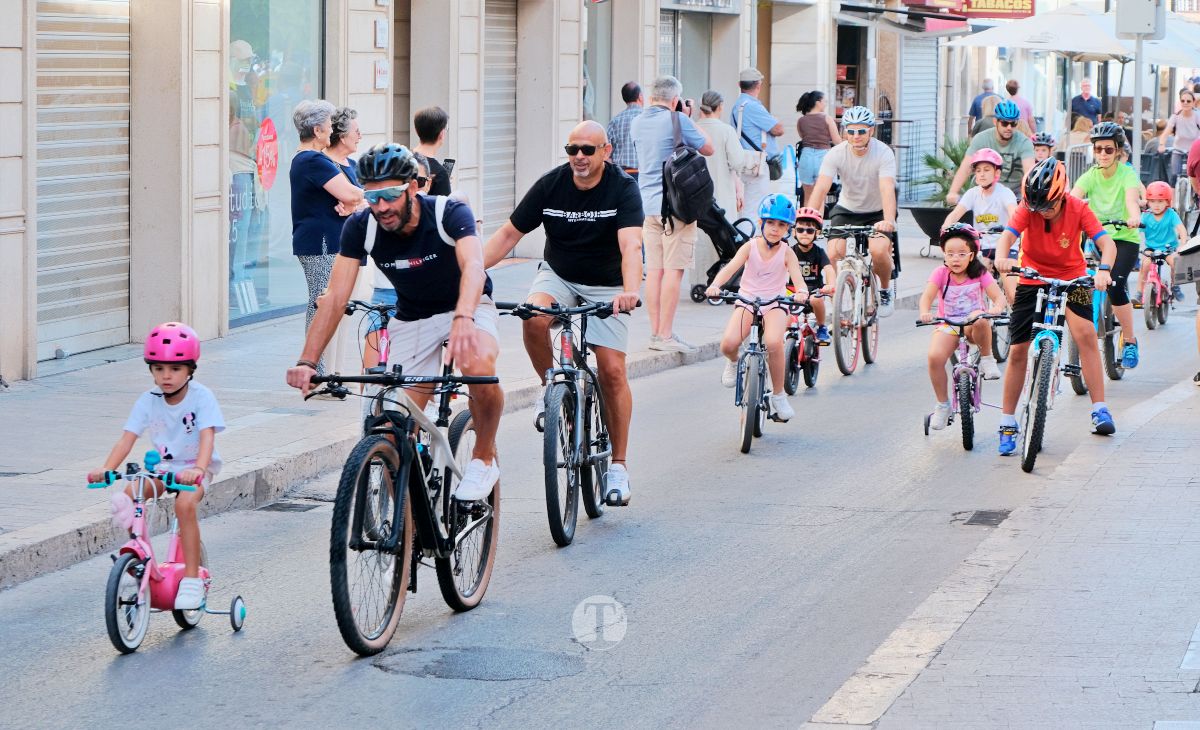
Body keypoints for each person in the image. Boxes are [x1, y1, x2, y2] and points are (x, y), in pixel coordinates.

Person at [285, 143, 503, 502]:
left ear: (413, 187)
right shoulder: (361, 226)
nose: (382, 206)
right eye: (372, 197)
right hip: (413, 317)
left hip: (468, 306)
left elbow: (474, 268)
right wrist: (308, 361)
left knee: (478, 367)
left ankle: (482, 458)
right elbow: (336, 297)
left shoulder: (449, 212)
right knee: (393, 425)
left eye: (390, 194)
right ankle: (406, 527)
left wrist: (464, 316)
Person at [483, 121, 643, 506]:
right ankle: (549, 386)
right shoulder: (551, 184)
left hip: (609, 284)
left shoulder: (622, 188)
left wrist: (630, 292)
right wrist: (470, 274)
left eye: (587, 150)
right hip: (559, 275)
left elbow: (631, 246)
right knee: (533, 316)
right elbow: (508, 235)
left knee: (612, 370)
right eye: (572, 149)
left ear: (606, 151)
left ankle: (618, 466)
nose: (579, 158)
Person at [90, 322, 225, 611]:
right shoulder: (147, 401)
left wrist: (199, 470)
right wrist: (106, 468)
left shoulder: (202, 397)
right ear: (150, 369)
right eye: (159, 369)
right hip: (163, 468)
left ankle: (191, 578)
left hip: (194, 467)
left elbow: (207, 438)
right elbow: (127, 439)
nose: (166, 376)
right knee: (129, 494)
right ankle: (142, 557)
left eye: (175, 369)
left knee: (184, 506)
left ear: (190, 369)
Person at [993, 159, 1119, 455]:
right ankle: (1008, 421)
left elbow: (1108, 244)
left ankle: (1099, 409)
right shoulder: (1029, 207)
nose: (1041, 213)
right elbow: (1008, 236)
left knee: (1086, 334)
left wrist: (1103, 270)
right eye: (1035, 208)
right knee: (1017, 350)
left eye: (1047, 207)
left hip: (1073, 277)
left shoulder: (1078, 208)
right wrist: (1003, 257)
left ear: (1061, 196)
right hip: (1032, 276)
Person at [705, 193, 810, 422]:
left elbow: (797, 279)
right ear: (761, 222)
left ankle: (779, 396)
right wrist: (714, 285)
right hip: (747, 301)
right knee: (728, 344)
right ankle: (734, 362)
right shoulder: (749, 247)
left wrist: (802, 292)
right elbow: (730, 268)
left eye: (781, 225)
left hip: (775, 304)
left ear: (788, 229)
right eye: (770, 222)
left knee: (774, 342)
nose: (775, 228)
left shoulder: (787, 252)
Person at [630, 74, 714, 353]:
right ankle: (664, 335)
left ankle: (656, 333)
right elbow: (708, 147)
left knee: (654, 271)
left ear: (651, 96)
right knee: (674, 272)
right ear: (675, 99)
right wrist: (685, 117)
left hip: (648, 207)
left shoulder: (637, 122)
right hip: (676, 209)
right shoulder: (678, 120)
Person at [290, 99, 364, 375]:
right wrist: (354, 201)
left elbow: (352, 197)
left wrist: (354, 202)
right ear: (318, 129)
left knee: (325, 302)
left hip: (322, 241)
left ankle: (322, 371)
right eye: (330, 125)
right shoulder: (312, 159)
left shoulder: (310, 159)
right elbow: (351, 193)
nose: (332, 130)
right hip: (320, 243)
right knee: (322, 303)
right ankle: (316, 371)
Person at [805, 106, 898, 315]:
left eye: (861, 131)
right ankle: (839, 294)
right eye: (851, 131)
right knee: (834, 251)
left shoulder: (883, 152)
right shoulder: (836, 153)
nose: (856, 136)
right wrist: (810, 219)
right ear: (844, 131)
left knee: (878, 250)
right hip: (847, 208)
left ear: (871, 131)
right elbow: (821, 187)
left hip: (878, 211)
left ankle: (884, 289)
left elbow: (886, 188)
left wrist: (888, 219)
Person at [919, 225, 1008, 429]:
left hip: (973, 325)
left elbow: (998, 297)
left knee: (979, 317)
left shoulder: (980, 272)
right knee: (934, 358)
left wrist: (997, 307)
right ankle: (943, 405)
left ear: (972, 255)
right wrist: (925, 311)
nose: (955, 259)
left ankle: (987, 359)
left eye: (961, 254)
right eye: (950, 254)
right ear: (944, 255)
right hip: (948, 324)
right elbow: (927, 296)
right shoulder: (940, 273)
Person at [1070, 121, 1142, 369]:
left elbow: (1132, 200)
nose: (1102, 154)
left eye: (1108, 150)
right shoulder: (1090, 175)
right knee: (1076, 279)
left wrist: (1134, 216)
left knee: (1116, 283)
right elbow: (1072, 199)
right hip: (1097, 236)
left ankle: (1130, 340)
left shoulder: (1127, 174)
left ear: (1119, 151)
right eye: (1098, 149)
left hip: (1124, 237)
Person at [942, 148, 1019, 305]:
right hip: (983, 246)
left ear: (996, 173)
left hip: (1005, 247)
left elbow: (1015, 215)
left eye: (986, 170)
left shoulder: (1005, 193)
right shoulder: (972, 194)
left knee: (1012, 288)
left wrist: (1014, 229)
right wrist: (945, 228)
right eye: (978, 170)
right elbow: (955, 214)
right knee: (973, 279)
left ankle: (1015, 322)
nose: (982, 174)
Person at [948, 99, 1034, 203]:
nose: (1009, 127)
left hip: (1014, 195)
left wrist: (1030, 198)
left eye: (1013, 124)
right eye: (1004, 123)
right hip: (985, 191)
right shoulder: (981, 139)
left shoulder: (1024, 142)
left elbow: (1029, 172)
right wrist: (953, 192)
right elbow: (966, 167)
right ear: (995, 122)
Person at [730, 67, 784, 212]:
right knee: (756, 208)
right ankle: (751, 235)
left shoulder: (737, 106)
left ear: (739, 85)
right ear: (758, 85)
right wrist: (774, 120)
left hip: (746, 161)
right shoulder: (753, 106)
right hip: (758, 164)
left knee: (748, 205)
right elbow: (779, 129)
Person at [1133, 181, 1187, 306]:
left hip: (1169, 248)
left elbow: (1182, 230)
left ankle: (1175, 286)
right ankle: (1139, 293)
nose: (1156, 205)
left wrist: (1183, 243)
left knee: (1174, 263)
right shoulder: (1145, 216)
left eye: (1160, 201)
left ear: (1167, 202)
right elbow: (1135, 232)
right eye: (1153, 201)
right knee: (1145, 265)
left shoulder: (1171, 214)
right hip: (1151, 248)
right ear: (1148, 202)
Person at [790, 206, 835, 344]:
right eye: (800, 229)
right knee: (784, 318)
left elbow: (829, 269)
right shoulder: (789, 252)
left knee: (816, 300)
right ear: (794, 232)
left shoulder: (819, 252)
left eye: (809, 230)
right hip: (792, 291)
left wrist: (830, 284)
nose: (804, 233)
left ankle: (822, 327)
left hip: (815, 291)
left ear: (817, 233)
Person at [795, 90, 842, 204]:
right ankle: (817, 221)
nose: (825, 104)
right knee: (819, 197)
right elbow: (837, 141)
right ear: (818, 102)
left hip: (806, 157)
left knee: (807, 196)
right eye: (824, 101)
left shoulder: (801, 120)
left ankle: (805, 221)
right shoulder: (827, 118)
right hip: (823, 157)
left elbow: (802, 136)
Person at [1158, 88, 1200, 187]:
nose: (1185, 103)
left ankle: (1195, 196)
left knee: (1195, 175)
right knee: (1174, 176)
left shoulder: (1197, 116)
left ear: (1193, 102)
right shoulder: (1175, 116)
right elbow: (1166, 133)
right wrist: (1161, 145)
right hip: (1178, 149)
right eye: (1182, 100)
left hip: (1193, 150)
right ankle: (1174, 201)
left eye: (1188, 101)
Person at [413, 106, 453, 196]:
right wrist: (444, 184)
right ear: (441, 134)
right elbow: (443, 207)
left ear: (416, 130)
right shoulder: (440, 174)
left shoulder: (402, 158)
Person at [607, 81, 644, 178]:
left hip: (621, 174)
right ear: (640, 96)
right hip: (644, 174)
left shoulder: (615, 121)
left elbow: (606, 153)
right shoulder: (649, 118)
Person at [326, 106, 362, 183]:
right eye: (357, 132)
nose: (360, 137)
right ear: (342, 136)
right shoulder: (323, 164)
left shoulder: (353, 165)